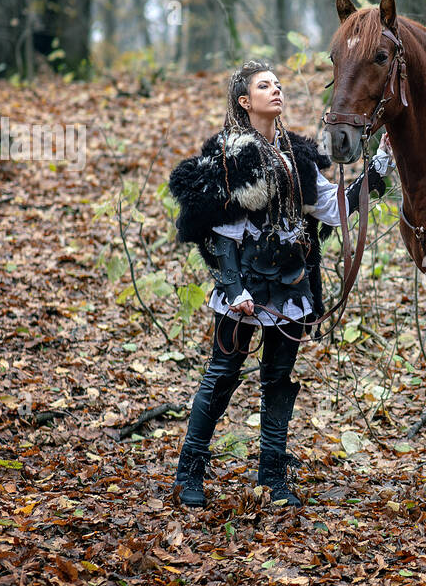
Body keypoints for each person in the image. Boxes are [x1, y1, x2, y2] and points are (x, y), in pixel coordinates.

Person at [167, 60, 390, 509]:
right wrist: (233, 289)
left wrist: (379, 165)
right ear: (244, 101)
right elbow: (219, 231)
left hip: (290, 283)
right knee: (223, 373)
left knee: (278, 377)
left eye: (279, 85)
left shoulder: (297, 154)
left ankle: (271, 476)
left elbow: (334, 206)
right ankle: (190, 469)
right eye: (264, 86)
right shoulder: (233, 154)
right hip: (244, 283)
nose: (277, 91)